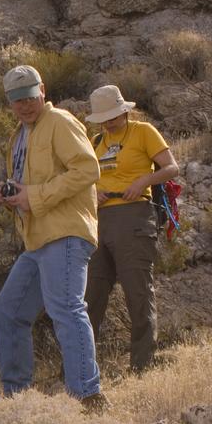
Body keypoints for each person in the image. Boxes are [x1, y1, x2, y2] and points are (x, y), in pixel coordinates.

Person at [0, 64, 106, 408]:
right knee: (8, 311)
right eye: (17, 100)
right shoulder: (18, 135)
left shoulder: (60, 121)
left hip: (66, 232)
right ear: (9, 102)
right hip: (37, 239)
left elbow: (88, 169)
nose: (25, 105)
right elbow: (28, 185)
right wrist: (11, 195)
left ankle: (88, 397)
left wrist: (34, 196)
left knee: (67, 309)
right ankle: (18, 401)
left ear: (42, 90)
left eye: (30, 97)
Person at [83, 84, 180, 372]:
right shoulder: (95, 142)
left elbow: (171, 168)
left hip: (135, 217)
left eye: (114, 116)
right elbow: (82, 178)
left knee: (137, 293)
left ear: (125, 110)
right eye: (104, 118)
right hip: (99, 222)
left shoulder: (143, 132)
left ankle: (142, 367)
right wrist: (92, 192)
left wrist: (143, 182)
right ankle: (82, 371)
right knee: (91, 298)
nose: (110, 122)